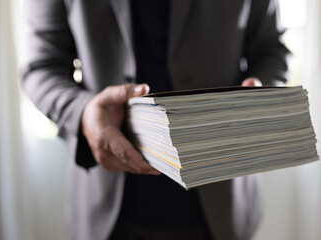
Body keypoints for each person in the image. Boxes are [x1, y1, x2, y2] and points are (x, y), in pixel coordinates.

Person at [23, 0, 290, 239]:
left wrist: (259, 94)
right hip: (106, 213)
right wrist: (83, 111)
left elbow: (272, 51)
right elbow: (41, 67)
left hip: (222, 205)